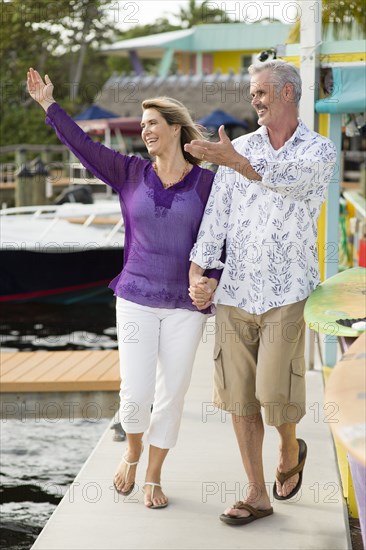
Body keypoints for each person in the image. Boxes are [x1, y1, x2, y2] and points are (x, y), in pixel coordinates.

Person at [27, 68, 218, 509]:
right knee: (135, 392)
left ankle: (153, 475)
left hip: (184, 307)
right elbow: (84, 146)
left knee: (172, 394)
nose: (145, 129)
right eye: (143, 124)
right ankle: (132, 452)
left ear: (175, 128)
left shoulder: (209, 184)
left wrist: (211, 282)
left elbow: (221, 242)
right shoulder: (130, 172)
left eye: (153, 123)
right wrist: (48, 105)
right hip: (134, 295)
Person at [185, 59, 337, 525]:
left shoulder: (320, 150)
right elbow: (217, 216)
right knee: (239, 397)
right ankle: (255, 492)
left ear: (288, 93)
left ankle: (290, 449)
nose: (254, 100)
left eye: (262, 92)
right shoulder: (240, 147)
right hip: (234, 290)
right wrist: (197, 272)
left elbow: (291, 183)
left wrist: (236, 162)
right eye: (252, 93)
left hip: (287, 292)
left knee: (275, 394)